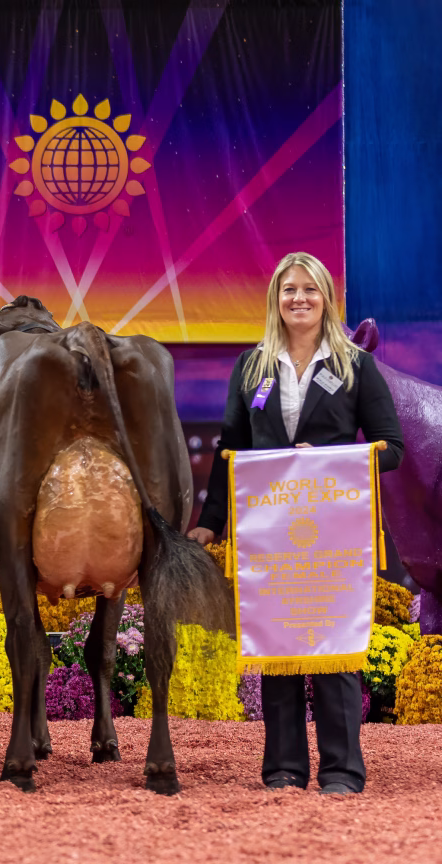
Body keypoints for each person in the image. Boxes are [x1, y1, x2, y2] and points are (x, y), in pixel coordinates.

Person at [189, 251, 403, 796]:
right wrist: (211, 521)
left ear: (326, 298)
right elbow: (231, 450)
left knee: (334, 645)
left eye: (310, 289)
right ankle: (283, 768)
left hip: (335, 532)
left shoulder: (355, 365)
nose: (299, 299)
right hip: (269, 532)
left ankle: (341, 771)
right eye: (289, 290)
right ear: (275, 300)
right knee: (277, 645)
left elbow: (392, 447)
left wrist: (325, 461)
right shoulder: (251, 366)